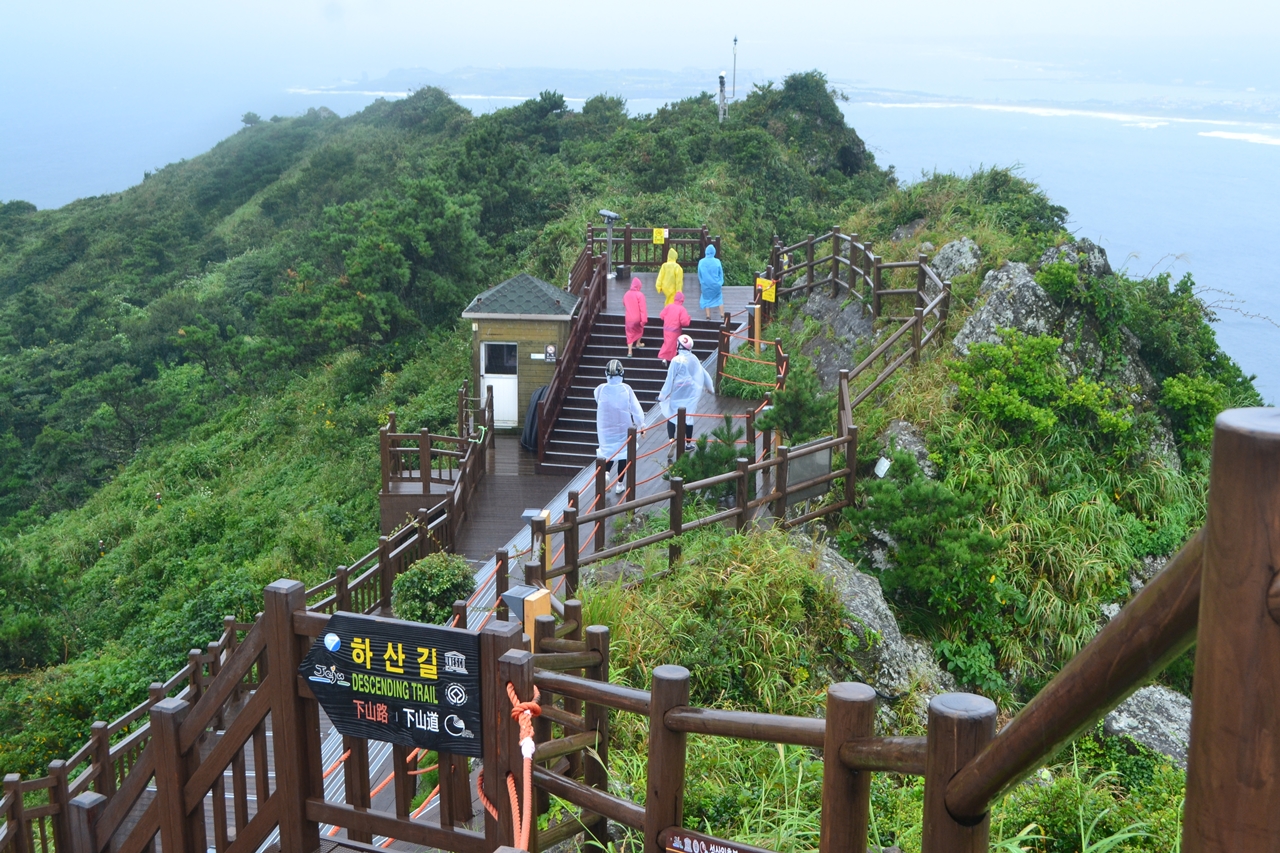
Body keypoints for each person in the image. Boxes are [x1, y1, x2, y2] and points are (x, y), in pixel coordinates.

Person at [656, 335, 714, 462]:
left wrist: (662, 396)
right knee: (689, 416)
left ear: (679, 345)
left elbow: (669, 379)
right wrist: (710, 388)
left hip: (678, 393)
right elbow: (704, 374)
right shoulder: (694, 359)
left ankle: (672, 440)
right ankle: (688, 444)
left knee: (671, 414)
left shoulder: (676, 360)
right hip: (691, 394)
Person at [594, 359, 644, 495]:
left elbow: (598, 400)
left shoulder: (600, 388)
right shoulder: (626, 388)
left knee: (608, 453)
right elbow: (636, 408)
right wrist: (641, 424)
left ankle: (606, 473)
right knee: (623, 454)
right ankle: (620, 484)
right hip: (623, 427)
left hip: (605, 428)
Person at [657, 291, 691, 362]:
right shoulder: (682, 309)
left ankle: (665, 358)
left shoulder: (669, 306)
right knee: (673, 345)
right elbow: (684, 322)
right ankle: (668, 358)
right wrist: (688, 318)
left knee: (667, 343)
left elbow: (662, 315)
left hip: (666, 329)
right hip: (675, 331)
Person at [697, 244, 724, 321]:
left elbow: (699, 274)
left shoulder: (701, 262)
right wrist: (720, 282)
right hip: (716, 285)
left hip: (705, 285)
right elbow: (721, 273)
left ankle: (708, 316)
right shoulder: (717, 261)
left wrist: (702, 282)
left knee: (706, 299)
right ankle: (722, 314)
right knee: (719, 298)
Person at [623, 277, 648, 357]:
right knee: (639, 329)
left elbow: (624, 303)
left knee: (629, 334)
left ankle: (629, 351)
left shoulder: (626, 294)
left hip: (629, 318)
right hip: (637, 318)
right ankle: (638, 343)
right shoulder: (640, 295)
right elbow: (643, 309)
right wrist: (643, 320)